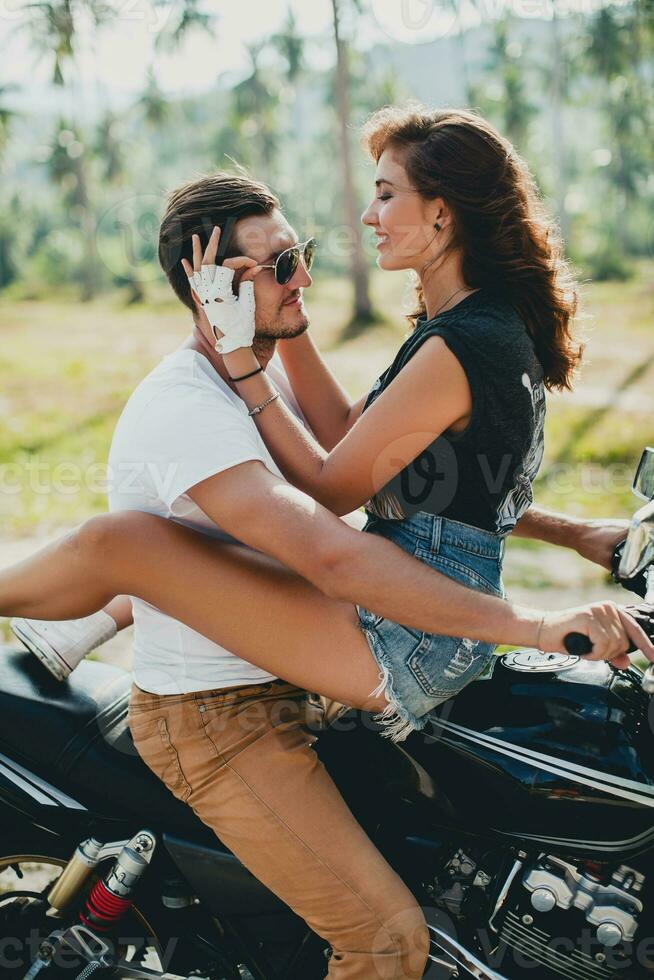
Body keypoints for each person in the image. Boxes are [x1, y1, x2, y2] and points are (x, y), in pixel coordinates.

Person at [2, 107, 651, 979]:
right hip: (259, 692)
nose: (308, 265)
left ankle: (84, 622)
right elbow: (353, 511)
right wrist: (541, 606)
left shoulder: (436, 343)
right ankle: (71, 618)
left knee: (145, 542)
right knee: (136, 541)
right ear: (211, 290)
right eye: (277, 265)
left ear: (445, 213)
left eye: (297, 249)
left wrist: (258, 359)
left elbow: (367, 483)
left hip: (349, 647)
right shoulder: (210, 398)